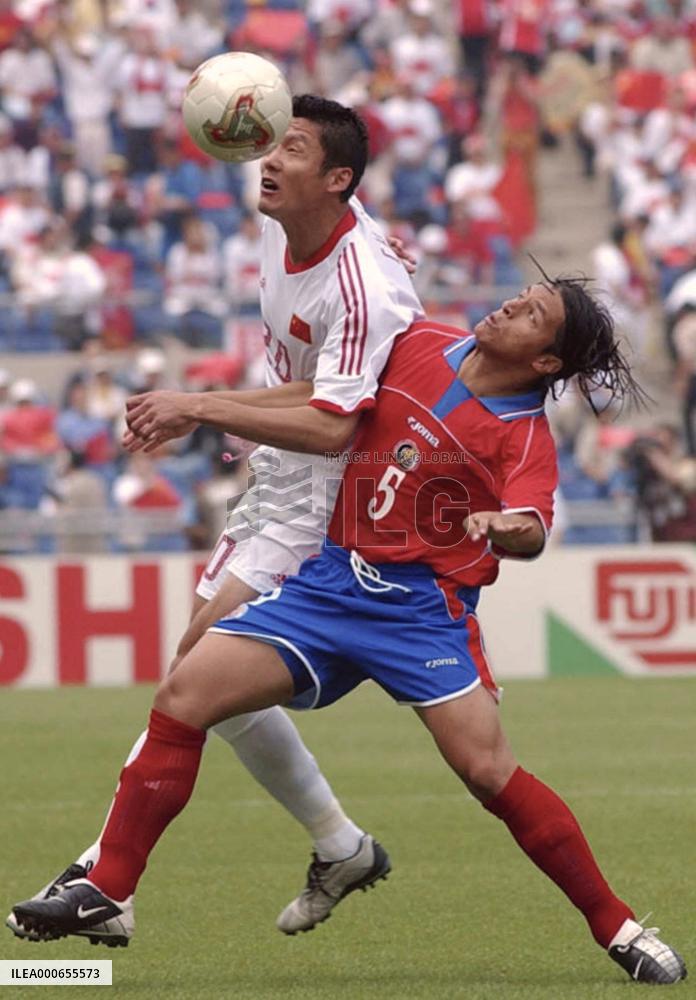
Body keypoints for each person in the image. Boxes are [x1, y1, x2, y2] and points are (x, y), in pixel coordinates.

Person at [10, 278, 687, 985]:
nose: (512, 304)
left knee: (489, 772)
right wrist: (209, 410)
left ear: (546, 362)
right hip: (331, 584)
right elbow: (327, 392)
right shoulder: (418, 340)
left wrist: (503, 529)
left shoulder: (522, 435)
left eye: (533, 315)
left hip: (421, 614)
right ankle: (111, 889)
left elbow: (532, 526)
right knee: (185, 694)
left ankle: (619, 926)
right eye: (522, 294)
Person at [7, 95, 422, 947]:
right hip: (281, 474)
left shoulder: (363, 283)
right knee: (208, 690)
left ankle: (104, 882)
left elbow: (339, 420)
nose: (268, 161)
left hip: (337, 489)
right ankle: (341, 847)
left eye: (292, 149)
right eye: (271, 143)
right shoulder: (293, 215)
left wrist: (202, 404)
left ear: (336, 181)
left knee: (193, 678)